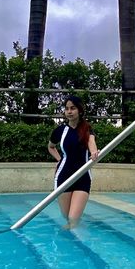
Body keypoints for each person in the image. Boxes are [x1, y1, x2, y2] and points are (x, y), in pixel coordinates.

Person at [48, 95, 99, 228]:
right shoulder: (60, 130)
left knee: (73, 218)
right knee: (66, 217)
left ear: (80, 110)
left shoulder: (87, 129)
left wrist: (94, 152)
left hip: (83, 176)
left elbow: (91, 142)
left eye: (73, 108)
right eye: (67, 109)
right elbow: (51, 147)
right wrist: (60, 159)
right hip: (63, 176)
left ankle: (75, 243)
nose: (69, 111)